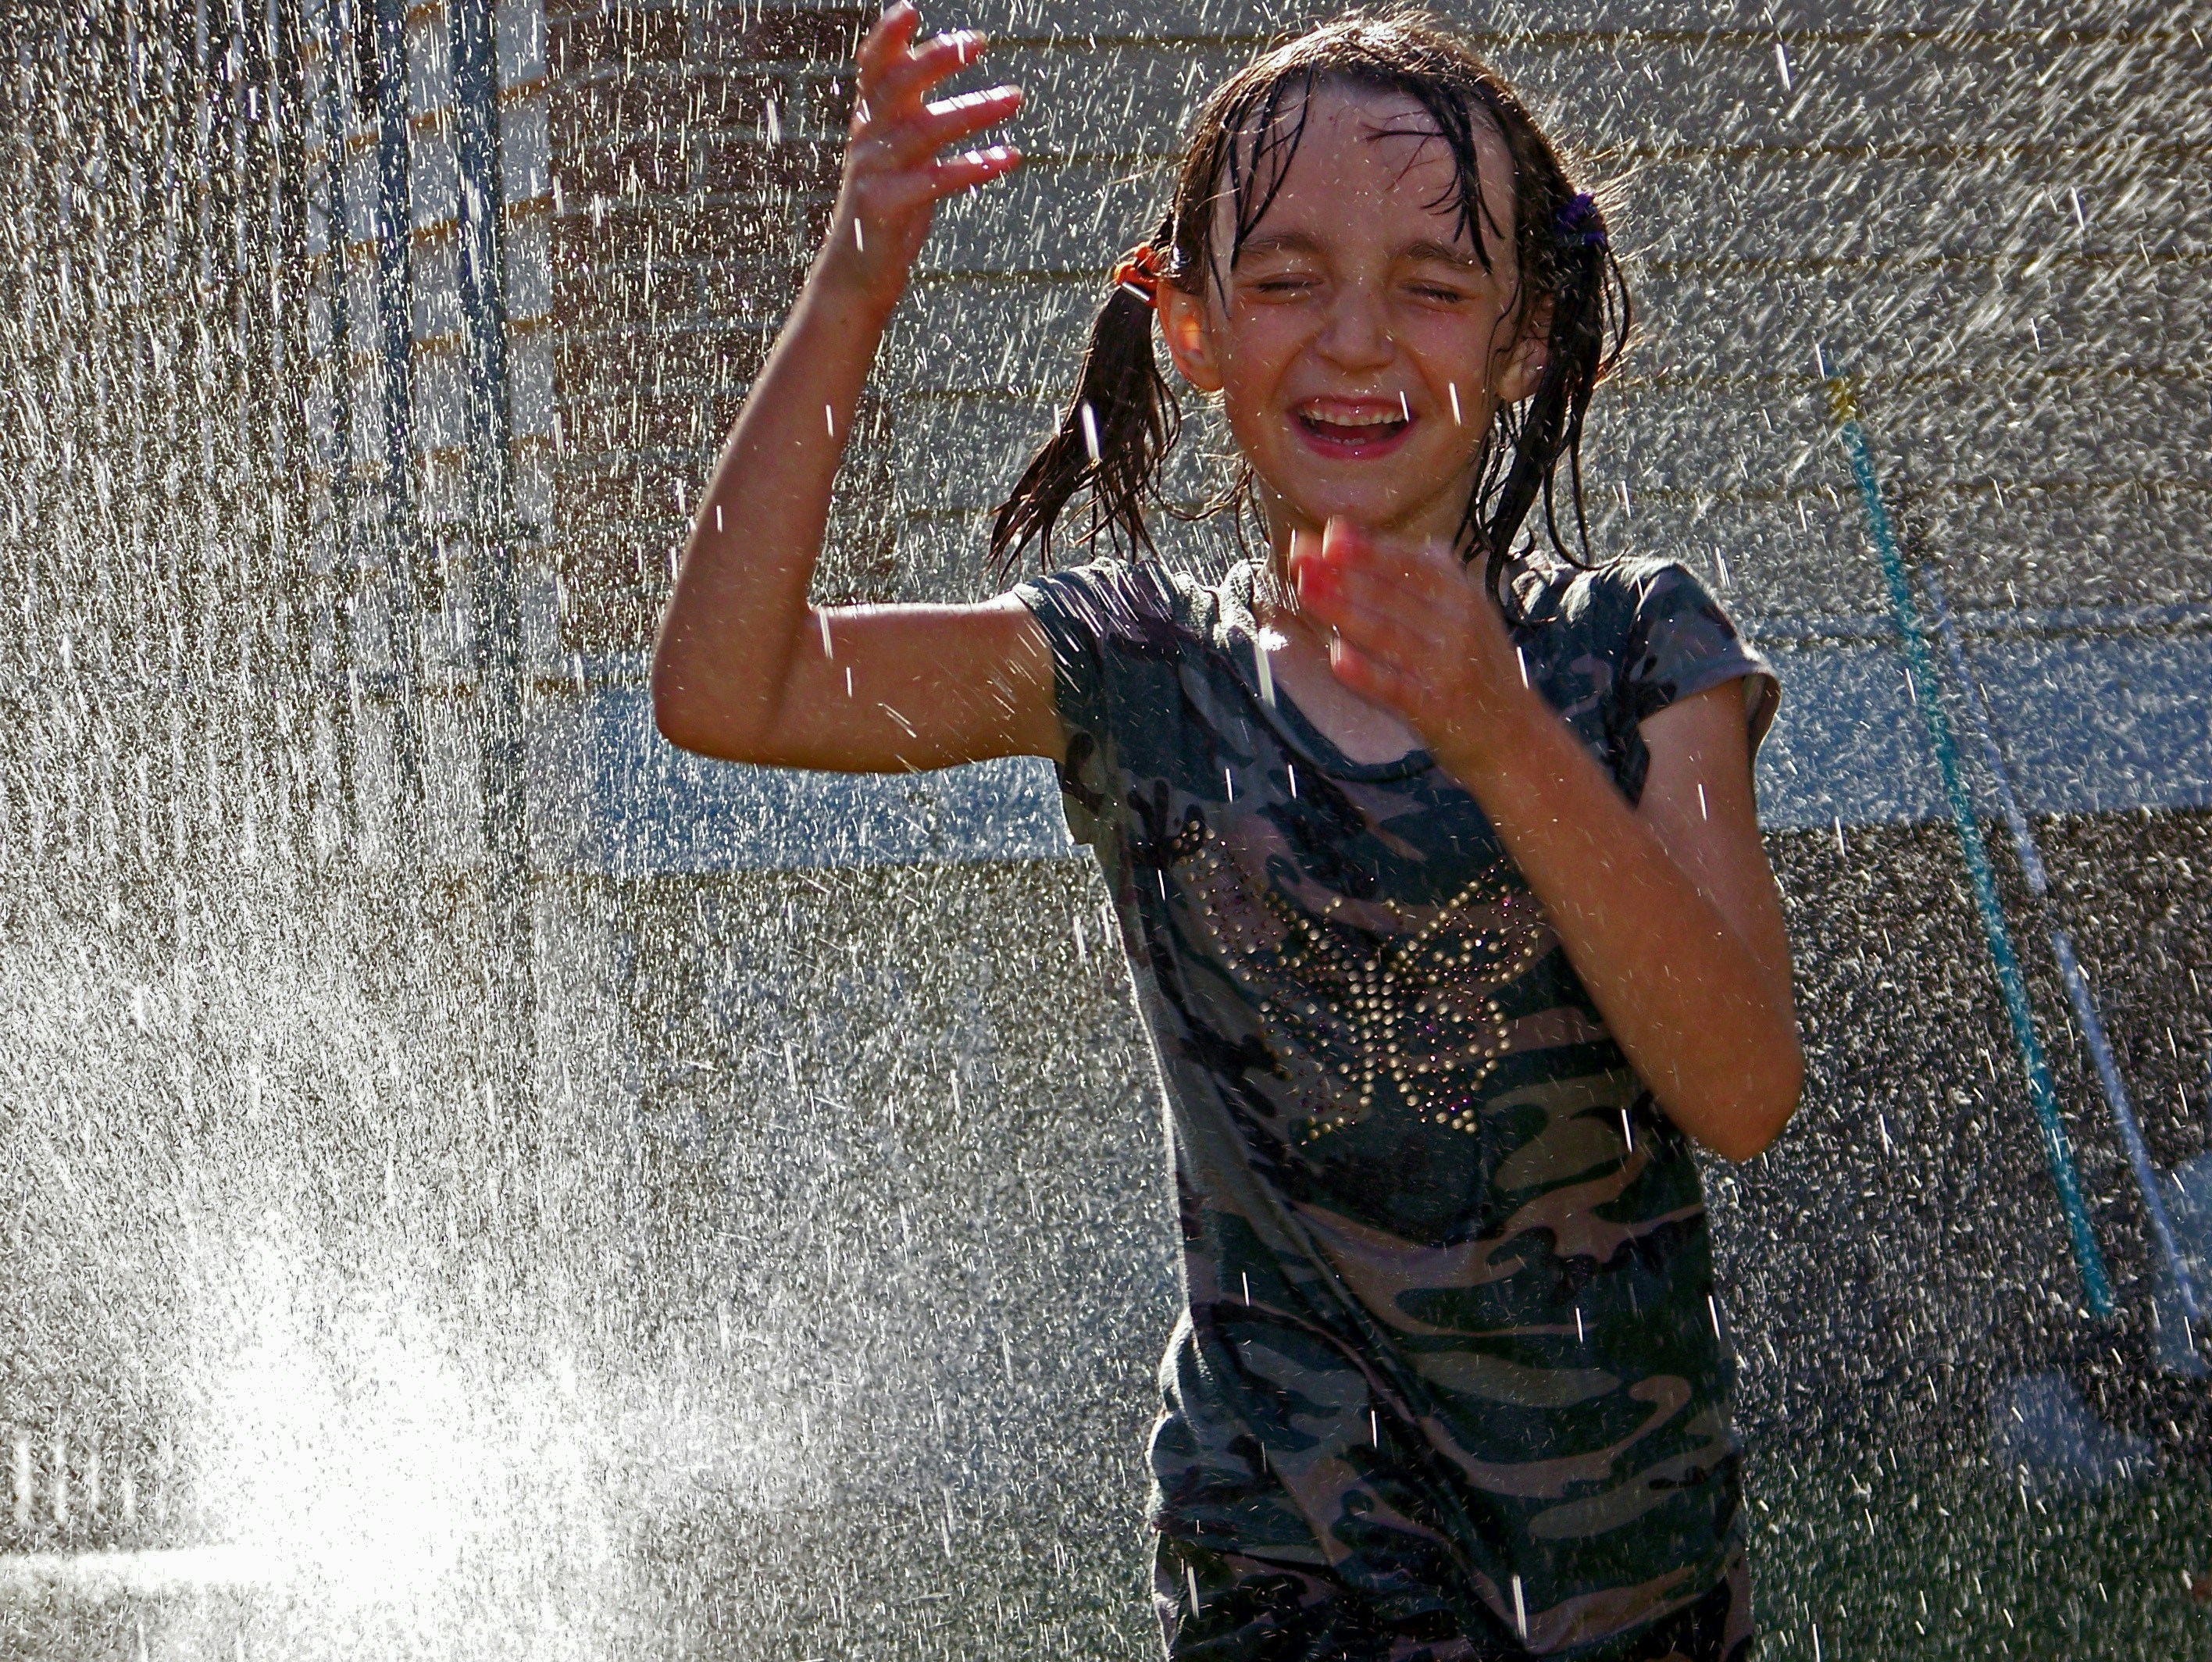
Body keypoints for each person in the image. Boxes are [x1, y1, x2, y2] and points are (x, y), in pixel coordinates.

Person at [651, 6, 1803, 1657]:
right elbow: (725, 686)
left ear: (1526, 335)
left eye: (1433, 282)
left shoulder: (1634, 654)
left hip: (1627, 1579)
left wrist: (1504, 737)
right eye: (1284, 278)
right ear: (1185, 323)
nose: (1354, 336)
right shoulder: (1139, 673)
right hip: (1291, 1569)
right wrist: (856, 276)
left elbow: (1745, 1084)